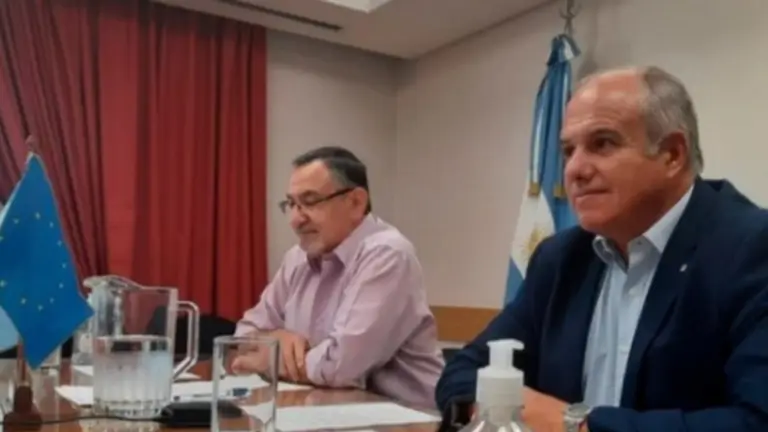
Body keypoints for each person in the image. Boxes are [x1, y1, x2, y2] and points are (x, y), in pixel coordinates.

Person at [435, 66, 768, 432]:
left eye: (603, 143)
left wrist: (576, 426)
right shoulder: (560, 259)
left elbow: (755, 421)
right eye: (568, 151)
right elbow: (465, 372)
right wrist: (498, 408)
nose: (575, 170)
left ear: (672, 154)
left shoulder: (751, 248)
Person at [233, 146, 444, 409]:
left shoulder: (388, 254)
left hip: (407, 420)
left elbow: (341, 367)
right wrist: (275, 337)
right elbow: (244, 335)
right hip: (321, 412)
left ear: (356, 203)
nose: (295, 219)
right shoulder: (297, 258)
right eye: (291, 204)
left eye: (310, 202)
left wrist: (269, 359)